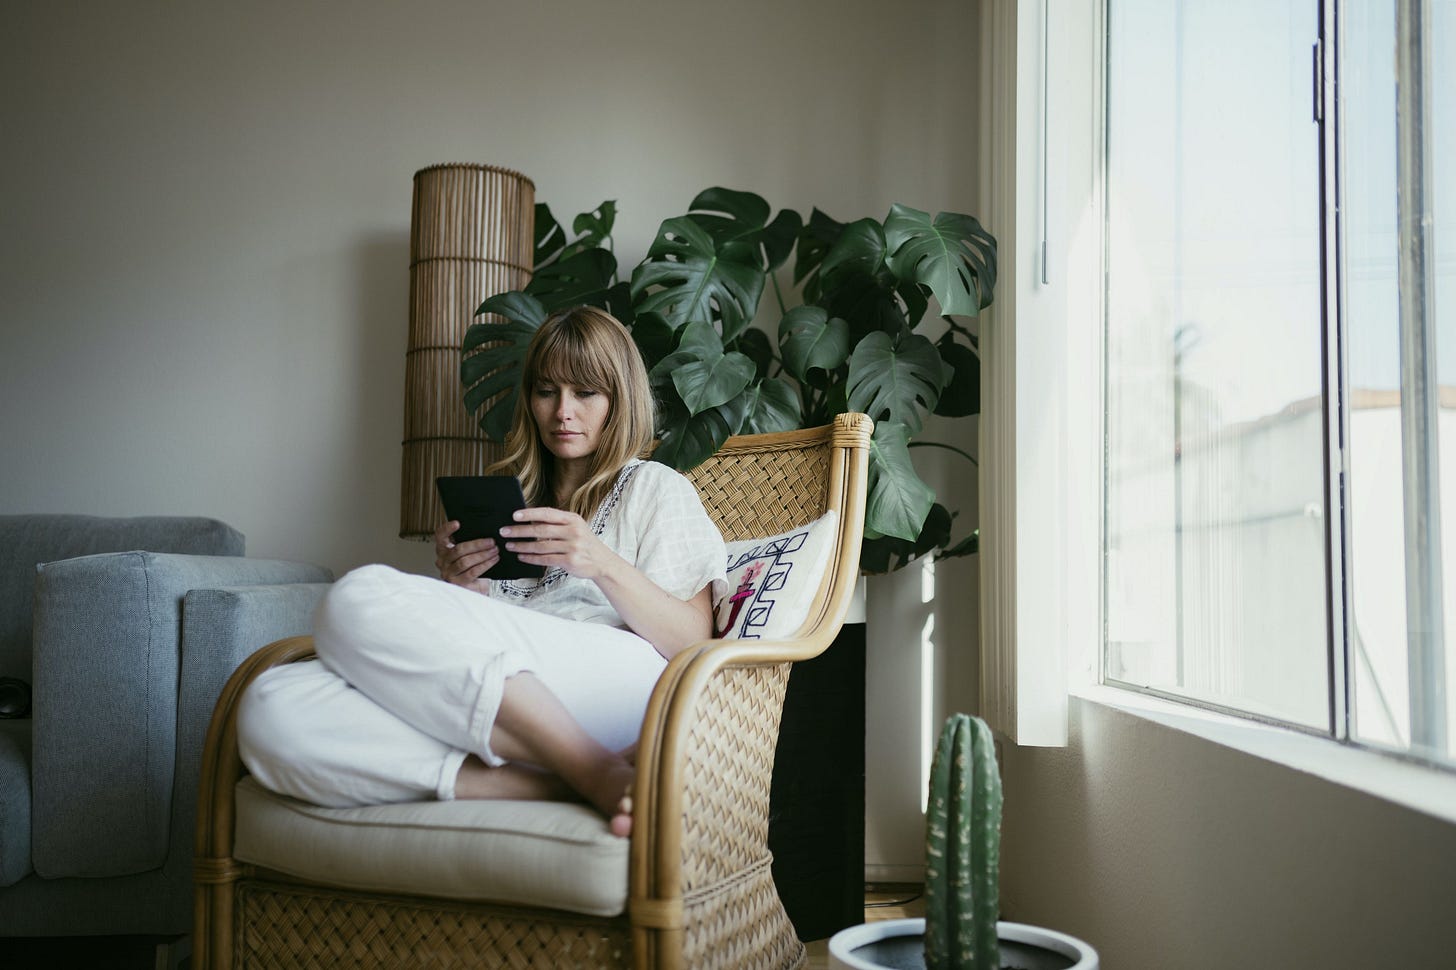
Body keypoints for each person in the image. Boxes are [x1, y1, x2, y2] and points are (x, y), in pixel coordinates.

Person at [237, 306, 727, 837]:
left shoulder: (654, 487)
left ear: (618, 399)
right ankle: (564, 779)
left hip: (615, 680)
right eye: (547, 391)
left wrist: (599, 561)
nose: (563, 411)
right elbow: (479, 644)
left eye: (585, 393)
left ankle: (591, 764)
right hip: (513, 696)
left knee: (356, 595)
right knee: (272, 709)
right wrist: (462, 591)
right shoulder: (509, 507)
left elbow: (693, 639)